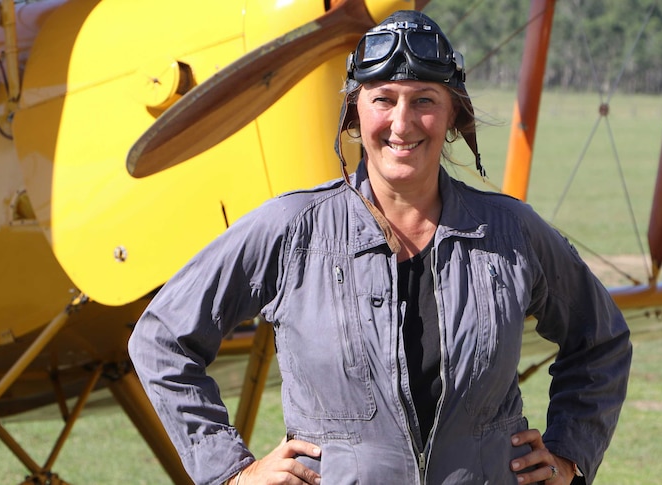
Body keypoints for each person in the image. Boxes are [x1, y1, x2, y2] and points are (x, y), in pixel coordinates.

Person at [129, 10, 631, 485]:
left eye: (425, 100)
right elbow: (161, 338)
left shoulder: (511, 233)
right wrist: (231, 471)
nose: (402, 122)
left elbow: (601, 341)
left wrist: (569, 454)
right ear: (354, 111)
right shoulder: (291, 228)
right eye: (383, 99)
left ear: (453, 113)